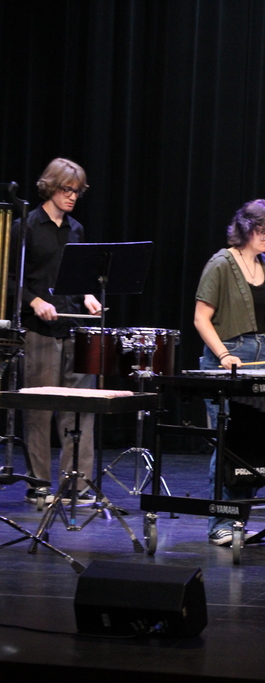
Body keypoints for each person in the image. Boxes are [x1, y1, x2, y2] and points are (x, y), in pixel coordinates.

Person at [194, 199, 265, 545]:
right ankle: (219, 524)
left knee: (251, 445)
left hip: (258, 362)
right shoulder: (220, 263)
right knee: (227, 445)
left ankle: (238, 521)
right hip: (226, 360)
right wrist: (223, 355)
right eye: (263, 230)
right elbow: (201, 318)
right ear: (246, 227)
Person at [12, 158, 103, 505]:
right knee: (38, 412)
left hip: (73, 329)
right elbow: (6, 280)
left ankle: (76, 487)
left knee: (79, 411)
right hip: (39, 332)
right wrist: (33, 301)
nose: (73, 197)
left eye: (77, 192)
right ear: (51, 187)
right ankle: (39, 486)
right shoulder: (25, 228)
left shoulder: (75, 230)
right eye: (67, 190)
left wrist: (88, 295)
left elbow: (76, 278)